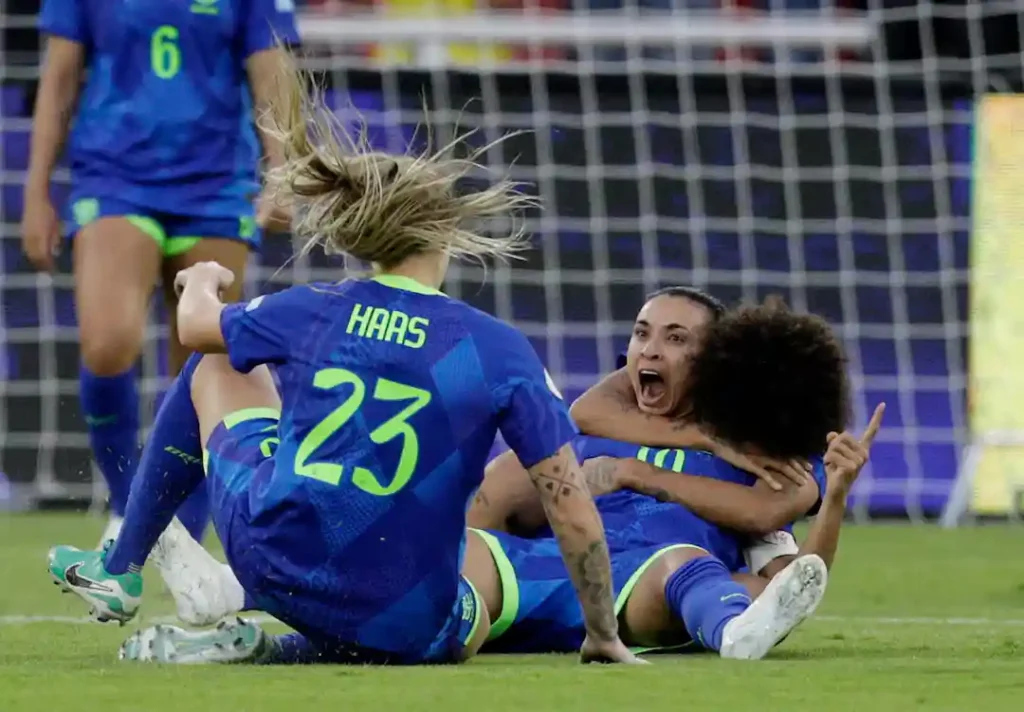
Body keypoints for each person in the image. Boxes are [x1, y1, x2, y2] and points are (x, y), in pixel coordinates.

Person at [46, 53, 640, 667]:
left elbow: (195, 328)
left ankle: (123, 568)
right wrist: (601, 633)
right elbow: (568, 504)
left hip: (270, 560)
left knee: (215, 360)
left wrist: (200, 279)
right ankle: (274, 642)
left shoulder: (314, 308)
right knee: (471, 613)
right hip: (408, 621)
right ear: (442, 233)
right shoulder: (495, 349)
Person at [22, 0, 299, 544]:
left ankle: (185, 535)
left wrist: (284, 171)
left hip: (217, 182)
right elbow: (58, 80)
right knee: (107, 343)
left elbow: (270, 72)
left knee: (203, 363)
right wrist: (36, 192)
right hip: (114, 177)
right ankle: (131, 511)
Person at [461, 303, 881, 659]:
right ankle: (427, 614)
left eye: (676, 339)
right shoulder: (600, 428)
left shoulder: (757, 469)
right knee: (469, 542)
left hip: (635, 584)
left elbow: (793, 581)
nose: (651, 352)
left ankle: (733, 632)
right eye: (641, 334)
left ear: (716, 364)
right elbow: (587, 408)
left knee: (690, 565)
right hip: (544, 564)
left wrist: (836, 496)